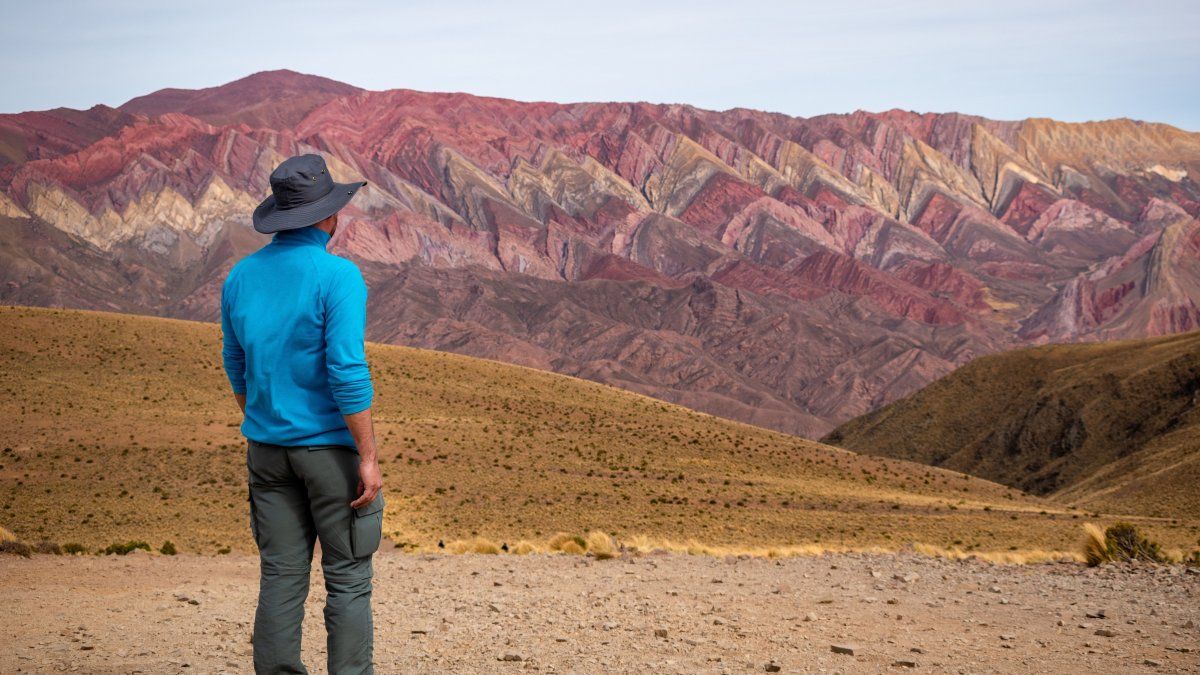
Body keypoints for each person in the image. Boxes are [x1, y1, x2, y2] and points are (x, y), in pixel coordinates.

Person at [221, 153, 384, 674]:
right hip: (330, 453)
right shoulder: (338, 276)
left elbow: (235, 363)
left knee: (281, 576)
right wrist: (368, 456)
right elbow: (347, 370)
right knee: (349, 579)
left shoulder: (240, 276)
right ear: (328, 215)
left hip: (267, 453)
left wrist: (264, 421)